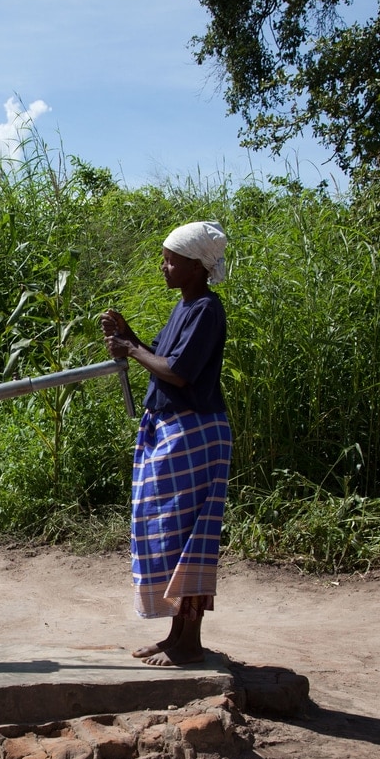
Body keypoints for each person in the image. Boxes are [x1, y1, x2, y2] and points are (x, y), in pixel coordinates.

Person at [101, 221, 231, 666]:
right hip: (173, 430)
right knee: (169, 533)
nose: (165, 266)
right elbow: (161, 359)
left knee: (190, 536)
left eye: (172, 259)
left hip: (194, 432)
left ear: (197, 267)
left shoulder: (207, 311)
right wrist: (130, 336)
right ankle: (176, 636)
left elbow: (177, 372)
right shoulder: (186, 307)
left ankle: (190, 643)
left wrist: (131, 349)